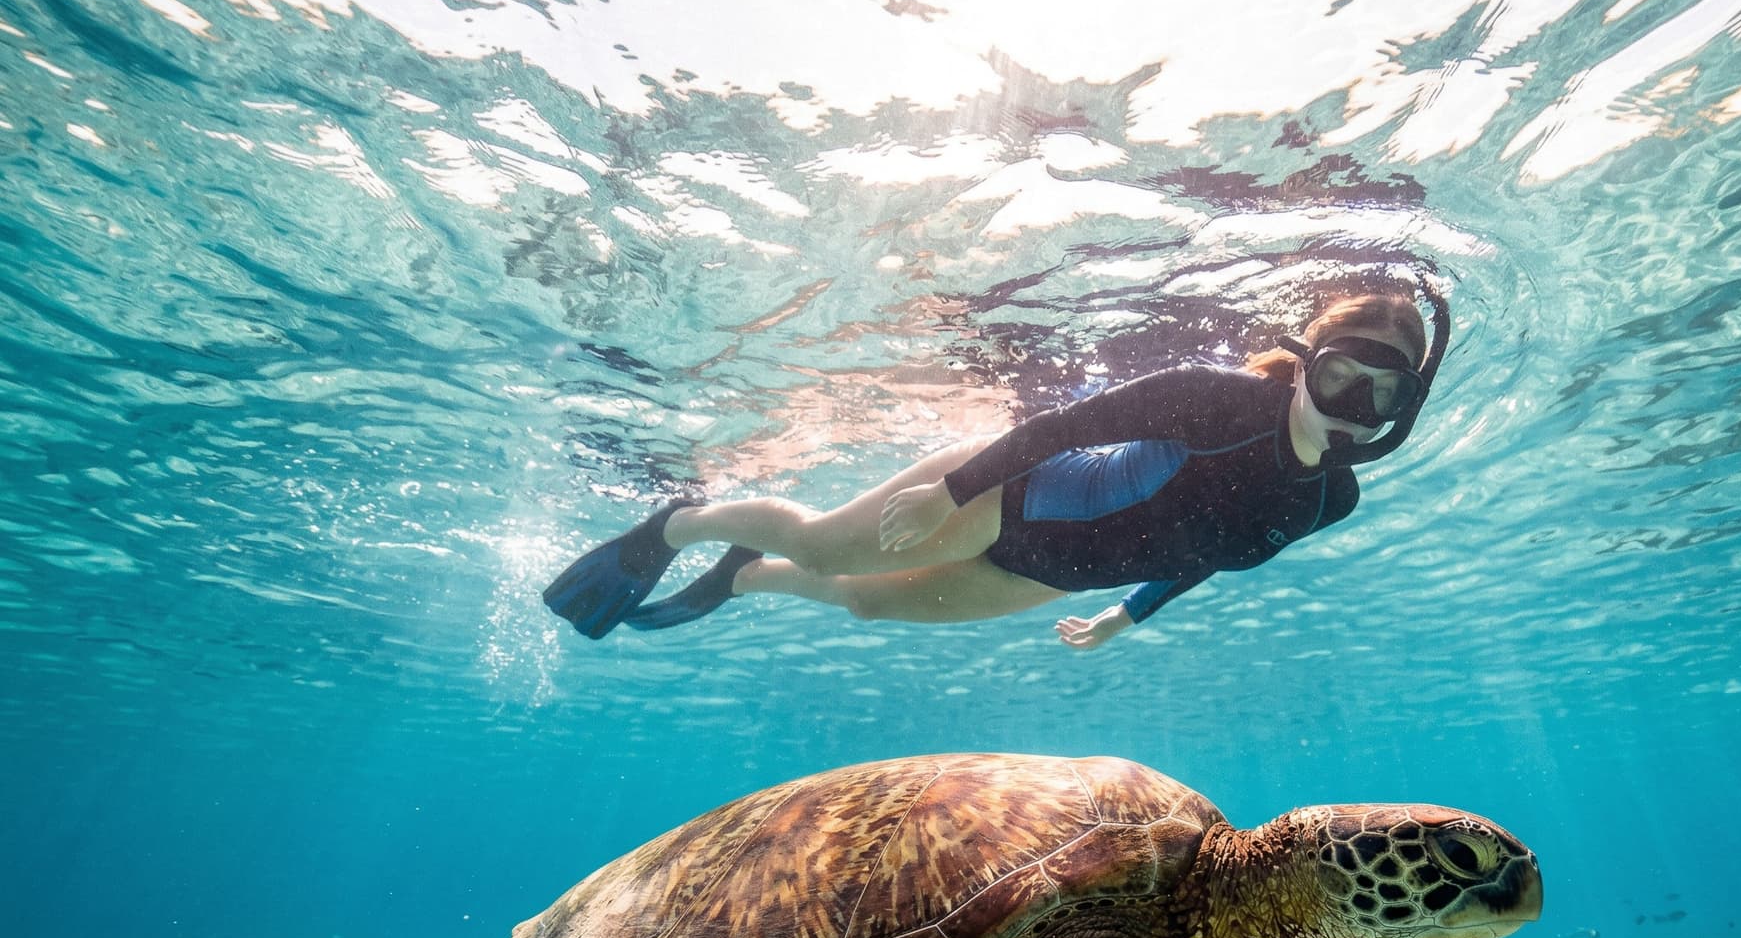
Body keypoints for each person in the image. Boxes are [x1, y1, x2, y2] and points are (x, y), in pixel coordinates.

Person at [542, 280, 1449, 649]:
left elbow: (1214, 545)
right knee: (830, 550)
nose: (1354, 406)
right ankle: (671, 526)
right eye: (1340, 374)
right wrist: (953, 487)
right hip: (1008, 496)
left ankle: (742, 582)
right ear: (1304, 362)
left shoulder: (1335, 496)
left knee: (861, 599)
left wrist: (1126, 617)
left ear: (1402, 406)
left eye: (1383, 395)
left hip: (1051, 576)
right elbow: (1066, 423)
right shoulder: (1216, 400)